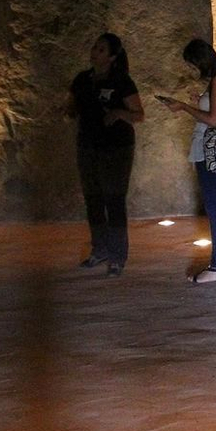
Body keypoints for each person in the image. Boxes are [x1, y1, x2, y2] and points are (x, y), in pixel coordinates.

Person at [66, 33, 144, 276]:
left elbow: (138, 114)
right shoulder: (82, 80)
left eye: (101, 49)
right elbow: (71, 107)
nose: (94, 52)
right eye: (94, 47)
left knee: (114, 199)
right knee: (93, 199)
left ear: (111, 57)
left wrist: (119, 113)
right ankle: (99, 249)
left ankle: (117, 256)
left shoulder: (122, 81)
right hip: (88, 145)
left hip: (116, 148)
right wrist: (67, 109)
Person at [161, 38, 216, 283]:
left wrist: (183, 107)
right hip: (205, 150)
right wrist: (197, 102)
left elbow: (213, 119)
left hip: (210, 151)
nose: (192, 69)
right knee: (215, 208)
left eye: (192, 64)